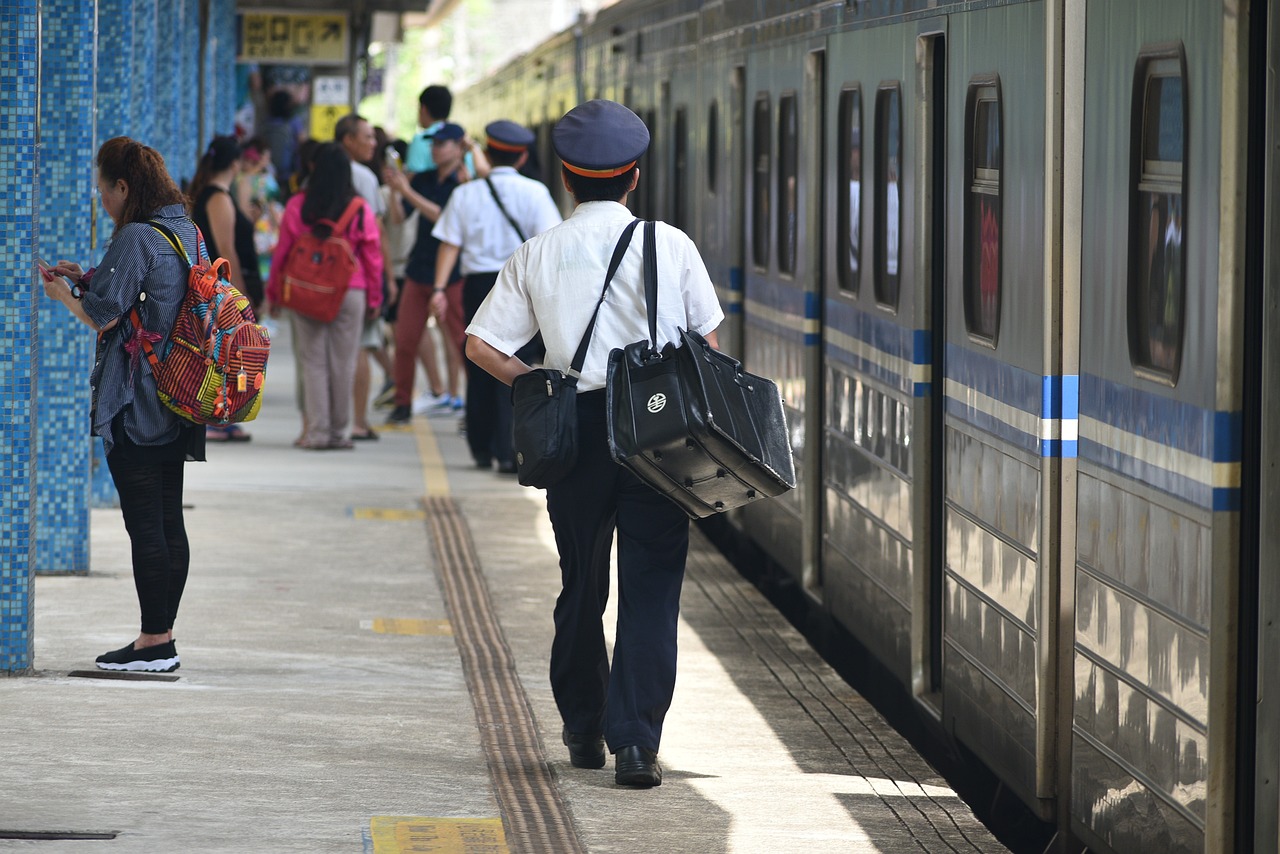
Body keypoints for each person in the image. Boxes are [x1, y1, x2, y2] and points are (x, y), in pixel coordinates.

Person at [464, 100, 723, 787]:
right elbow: (710, 345)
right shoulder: (672, 246)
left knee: (582, 583)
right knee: (652, 585)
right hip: (661, 429)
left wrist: (538, 382)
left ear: (567, 179)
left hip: (575, 430)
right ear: (634, 176)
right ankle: (635, 742)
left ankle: (582, 728)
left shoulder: (538, 252)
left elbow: (480, 345)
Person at [40, 136, 209, 673]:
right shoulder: (186, 230)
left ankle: (154, 642)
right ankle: (160, 636)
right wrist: (87, 276)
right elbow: (153, 294)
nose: (102, 201)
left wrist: (63, 295)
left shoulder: (138, 235)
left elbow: (104, 314)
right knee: (167, 520)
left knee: (145, 525)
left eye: (104, 191)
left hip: (139, 402)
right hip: (181, 396)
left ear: (124, 186)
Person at [432, 120, 561, 472]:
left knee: (478, 363)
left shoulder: (465, 193)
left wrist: (440, 289)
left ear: (486, 153)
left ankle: (480, 447)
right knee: (513, 364)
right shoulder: (536, 193)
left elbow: (449, 245)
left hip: (477, 286)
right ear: (521, 157)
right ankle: (509, 452)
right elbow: (549, 244)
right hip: (521, 286)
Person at [267, 143, 383, 449]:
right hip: (351, 290)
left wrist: (275, 293)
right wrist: (375, 297)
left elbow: (283, 253)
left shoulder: (297, 206)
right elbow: (372, 256)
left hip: (307, 291)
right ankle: (339, 433)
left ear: (313, 170)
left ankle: (317, 433)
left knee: (313, 361)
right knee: (344, 362)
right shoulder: (359, 209)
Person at [383, 123, 468, 425]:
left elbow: (445, 217)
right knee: (405, 340)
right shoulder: (423, 178)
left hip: (454, 274)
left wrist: (407, 191)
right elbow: (398, 217)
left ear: (460, 147)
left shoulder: (464, 184)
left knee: (460, 341)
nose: (435, 149)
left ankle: (472, 408)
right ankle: (403, 402)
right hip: (419, 270)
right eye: (433, 144)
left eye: (443, 144)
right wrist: (396, 192)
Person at [188, 135, 263, 444]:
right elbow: (226, 250)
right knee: (222, 355)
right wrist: (239, 297)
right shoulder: (218, 197)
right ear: (235, 163)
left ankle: (221, 414)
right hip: (221, 292)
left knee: (224, 355)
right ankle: (214, 417)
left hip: (217, 292)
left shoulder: (214, 194)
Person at [335, 113, 394, 441]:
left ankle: (329, 420)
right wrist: (386, 278)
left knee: (324, 353)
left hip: (323, 275)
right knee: (360, 347)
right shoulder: (363, 178)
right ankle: (357, 421)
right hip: (356, 277)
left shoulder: (319, 174)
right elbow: (376, 233)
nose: (374, 143)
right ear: (348, 140)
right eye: (368, 137)